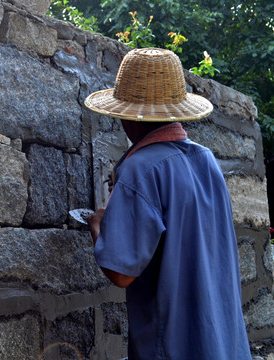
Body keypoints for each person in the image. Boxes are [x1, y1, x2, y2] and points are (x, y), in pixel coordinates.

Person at [84, 48, 252, 359]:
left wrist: (99, 227)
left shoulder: (139, 169)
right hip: (223, 343)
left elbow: (122, 274)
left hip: (176, 346)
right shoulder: (207, 159)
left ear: (129, 117)